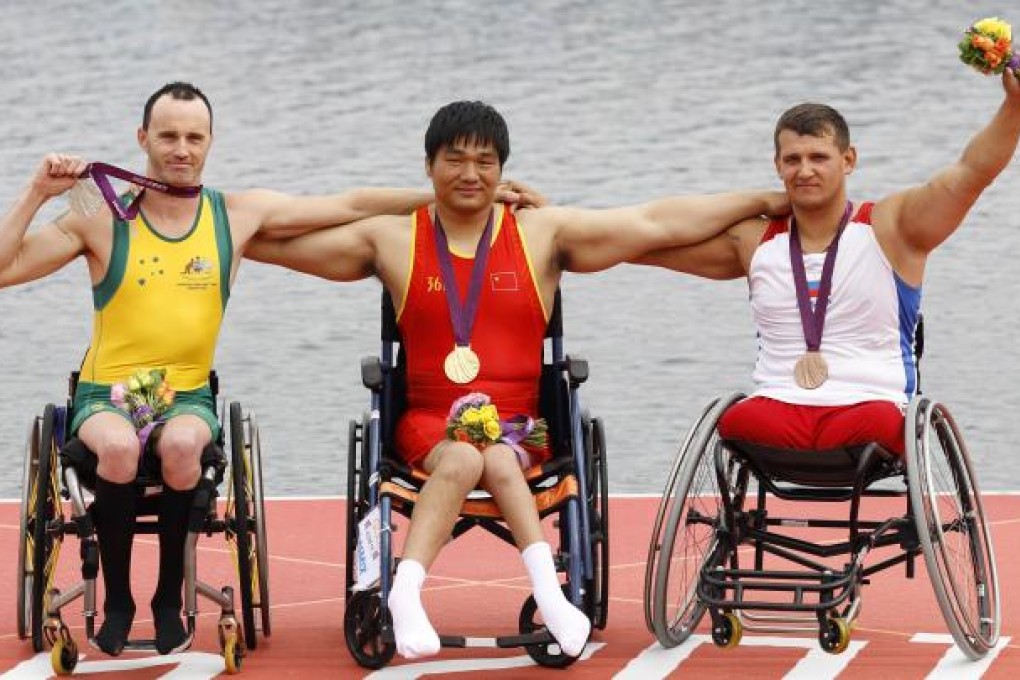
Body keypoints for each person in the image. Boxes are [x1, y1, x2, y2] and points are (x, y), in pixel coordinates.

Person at [246, 99, 786, 660]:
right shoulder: (392, 238)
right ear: (429, 166)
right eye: (454, 160)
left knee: (493, 455)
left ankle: (542, 594)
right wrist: (221, 228)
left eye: (485, 161)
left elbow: (651, 223)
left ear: (503, 171)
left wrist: (762, 202)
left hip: (521, 429)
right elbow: (283, 244)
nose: (470, 174)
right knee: (462, 456)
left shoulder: (540, 232)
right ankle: (414, 593)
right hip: (429, 425)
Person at [0, 81, 454, 657]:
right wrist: (37, 192)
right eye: (167, 136)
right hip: (107, 397)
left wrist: (445, 197)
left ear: (211, 142)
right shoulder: (98, 209)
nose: (180, 149)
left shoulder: (235, 214)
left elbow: (348, 204)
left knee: (186, 446)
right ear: (142, 138)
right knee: (115, 451)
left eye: (194, 137)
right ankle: (118, 601)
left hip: (185, 396)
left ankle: (168, 599)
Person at [636, 69, 1020, 455]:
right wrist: (755, 200)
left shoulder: (892, 227)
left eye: (818, 157)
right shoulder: (754, 240)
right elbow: (651, 239)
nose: (804, 170)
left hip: (870, 408)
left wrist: (1014, 105)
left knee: (879, 422)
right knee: (736, 418)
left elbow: (971, 174)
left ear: (848, 160)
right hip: (777, 405)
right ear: (777, 166)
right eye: (792, 160)